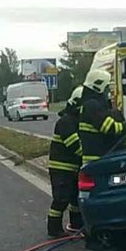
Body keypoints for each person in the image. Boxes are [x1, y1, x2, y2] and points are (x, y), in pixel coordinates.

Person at [78, 69, 126, 165]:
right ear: (98, 86)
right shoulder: (92, 105)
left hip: (100, 158)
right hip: (96, 160)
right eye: (107, 87)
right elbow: (109, 128)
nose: (109, 91)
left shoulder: (93, 105)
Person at [46, 86, 85, 238]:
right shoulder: (66, 122)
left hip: (74, 168)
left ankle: (76, 225)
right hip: (61, 169)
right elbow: (76, 147)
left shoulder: (76, 120)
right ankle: (54, 229)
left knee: (75, 198)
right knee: (61, 199)